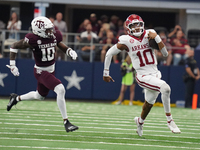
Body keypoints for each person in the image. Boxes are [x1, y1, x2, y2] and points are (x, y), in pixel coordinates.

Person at [103, 14, 181, 137]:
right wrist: (106, 73)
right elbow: (108, 53)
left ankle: (139, 122)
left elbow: (165, 54)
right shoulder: (126, 40)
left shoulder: (150, 34)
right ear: (128, 28)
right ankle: (170, 121)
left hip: (155, 74)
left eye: (138, 24)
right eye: (133, 25)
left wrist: (158, 38)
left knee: (148, 104)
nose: (137, 27)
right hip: (142, 76)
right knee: (165, 88)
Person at [6, 16, 78, 133]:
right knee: (60, 89)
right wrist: (12, 65)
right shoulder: (32, 39)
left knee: (39, 96)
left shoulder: (53, 35)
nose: (51, 32)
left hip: (51, 69)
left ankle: (16, 98)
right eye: (48, 30)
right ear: (39, 31)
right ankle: (66, 121)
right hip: (40, 71)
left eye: (51, 29)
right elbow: (14, 46)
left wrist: (69, 51)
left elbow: (58, 43)